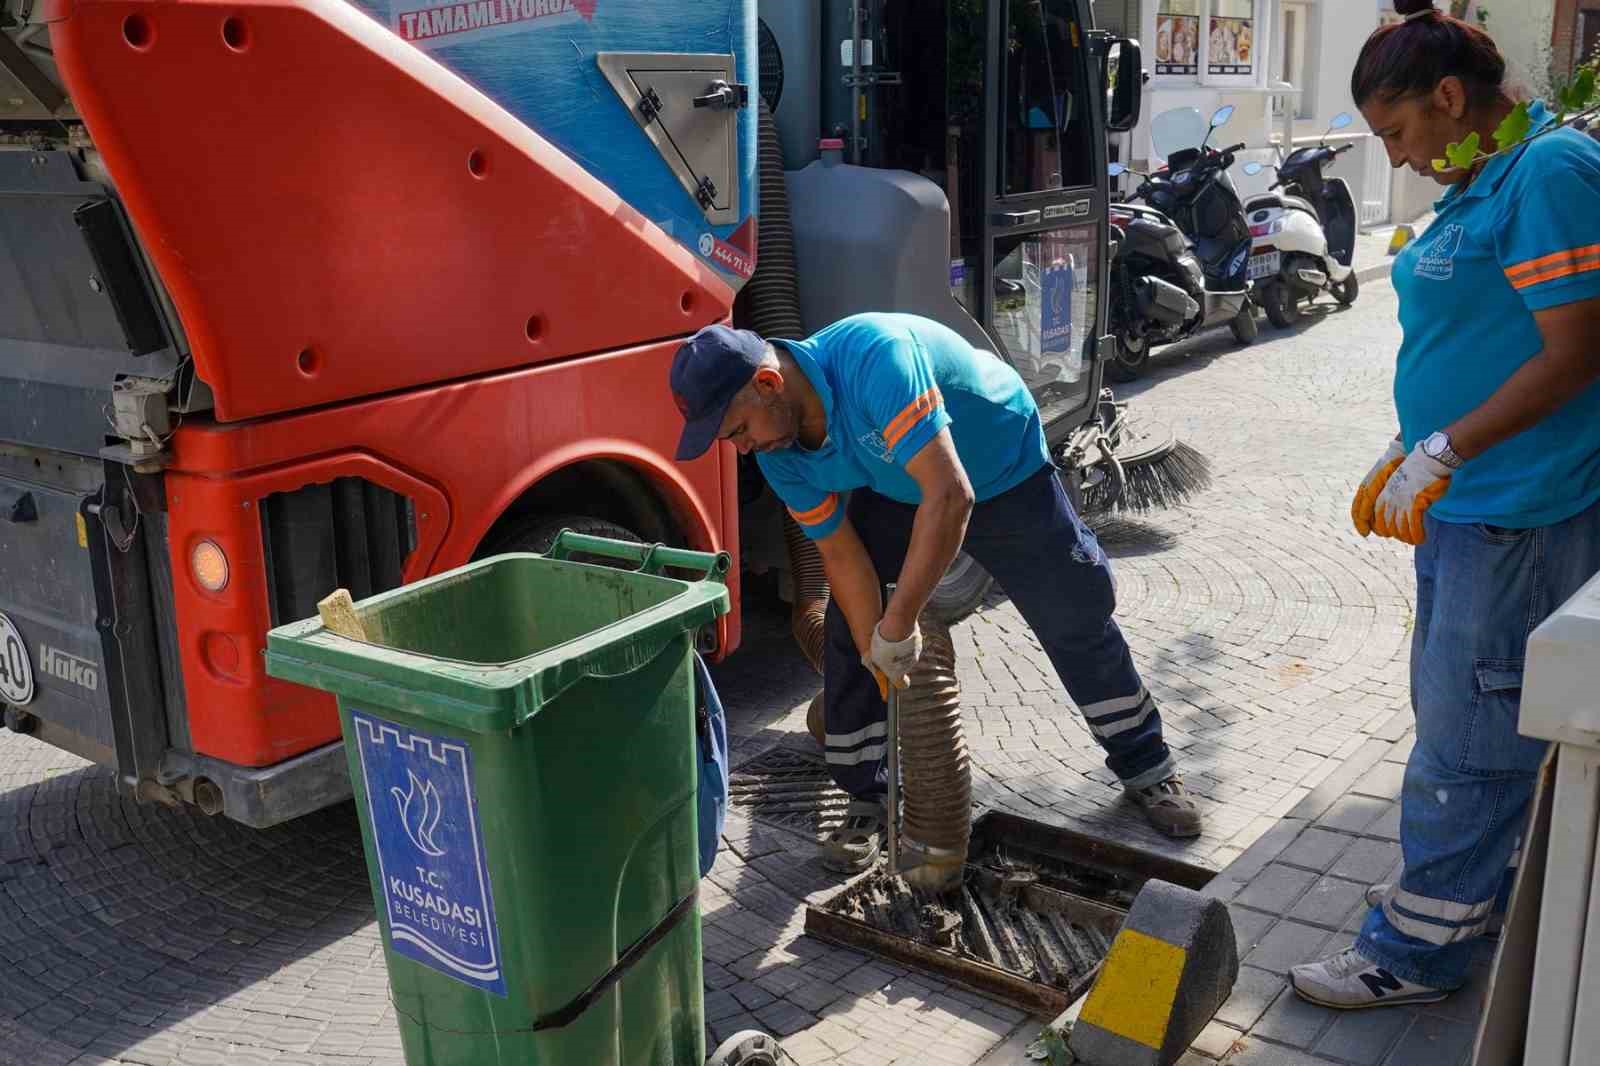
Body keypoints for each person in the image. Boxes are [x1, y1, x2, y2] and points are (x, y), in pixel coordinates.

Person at [1289, 0, 1600, 1009]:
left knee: (1469, 739)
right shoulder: (1490, 177)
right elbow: (1486, 337)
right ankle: (1459, 896)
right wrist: (1415, 439)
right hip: (1473, 504)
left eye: (1396, 131)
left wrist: (1447, 445)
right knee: (1463, 712)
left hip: (1516, 510)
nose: (1396, 157)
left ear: (1451, 98)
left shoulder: (1548, 173)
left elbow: (1576, 353)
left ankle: (1416, 954)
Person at [669, 313, 1203, 871]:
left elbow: (950, 496)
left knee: (1073, 612)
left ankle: (1148, 767)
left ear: (768, 383)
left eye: (738, 430)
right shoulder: (779, 454)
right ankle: (869, 795)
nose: (743, 449)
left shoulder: (875, 358)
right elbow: (842, 556)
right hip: (898, 485)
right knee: (850, 635)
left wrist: (898, 624)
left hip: (1003, 468)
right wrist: (877, 647)